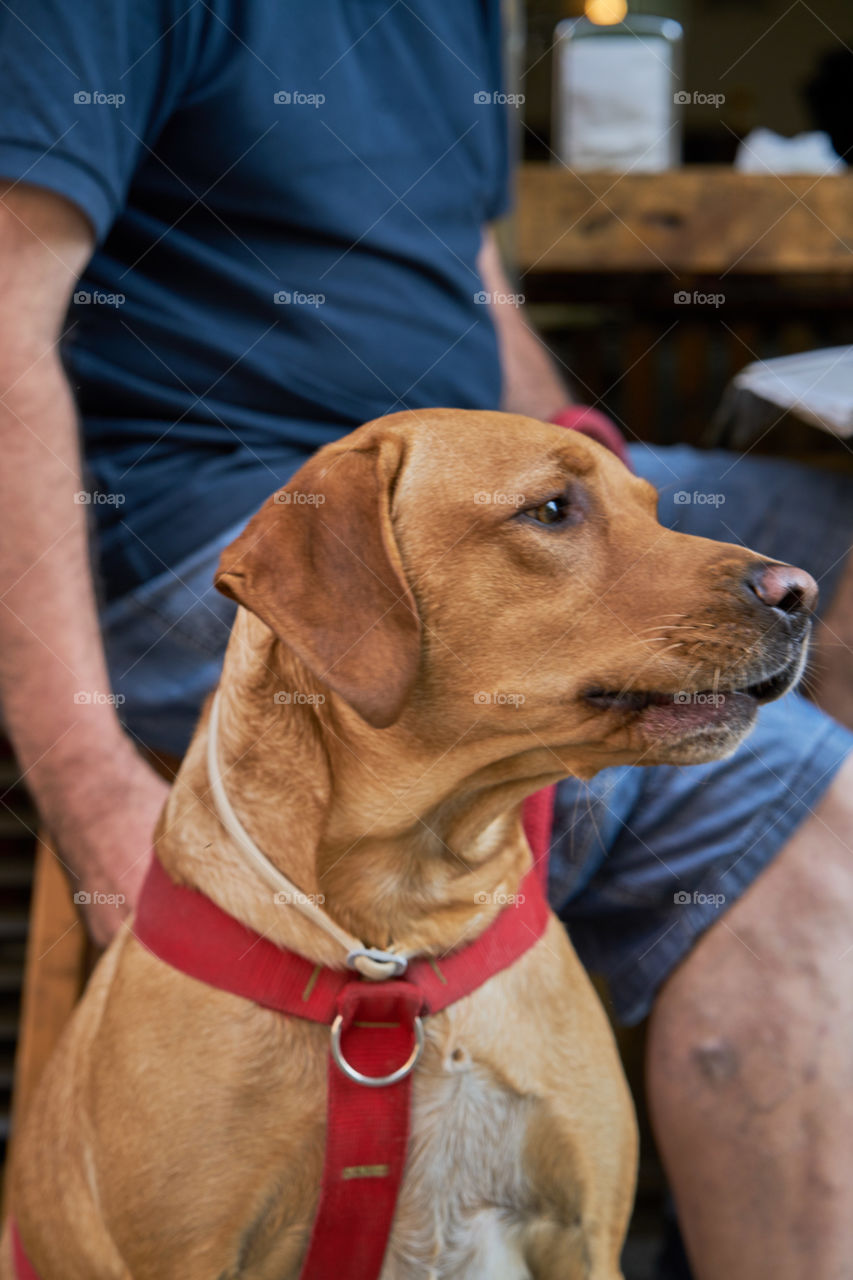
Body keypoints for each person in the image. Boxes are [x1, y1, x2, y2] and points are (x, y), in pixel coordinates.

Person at [1, 4, 852, 1276]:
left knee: (819, 563)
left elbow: (472, 288)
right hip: (201, 529)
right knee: (819, 812)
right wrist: (88, 780)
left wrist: (584, 475)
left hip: (474, 479)